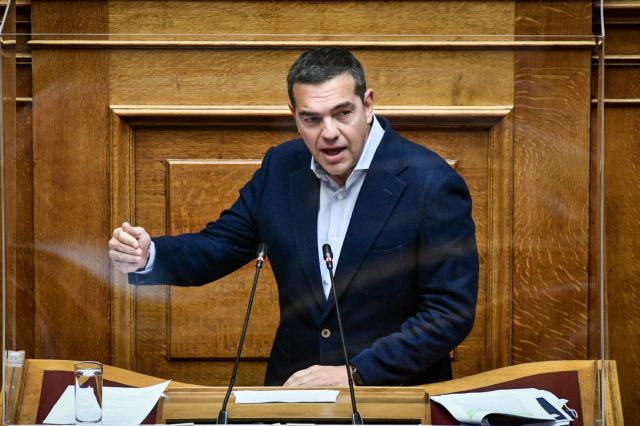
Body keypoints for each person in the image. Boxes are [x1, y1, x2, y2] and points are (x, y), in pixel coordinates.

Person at [109, 47, 479, 387]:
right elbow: (221, 244)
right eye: (312, 119)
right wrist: (149, 255)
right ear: (294, 117)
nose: (329, 133)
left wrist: (356, 373)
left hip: (393, 398)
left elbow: (449, 313)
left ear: (368, 105)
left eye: (343, 113)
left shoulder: (431, 183)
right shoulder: (282, 166)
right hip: (293, 394)